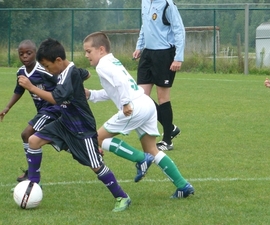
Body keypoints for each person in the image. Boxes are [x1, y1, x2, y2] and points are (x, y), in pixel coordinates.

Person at [18, 38, 131, 212]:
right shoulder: (67, 70)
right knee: (33, 140)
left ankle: (122, 196)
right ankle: (33, 184)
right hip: (64, 122)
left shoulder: (68, 74)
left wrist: (32, 87)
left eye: (48, 66)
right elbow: (85, 73)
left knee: (95, 165)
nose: (47, 70)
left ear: (58, 60)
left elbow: (56, 98)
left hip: (82, 129)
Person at [83, 31, 194, 198]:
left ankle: (140, 159)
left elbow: (120, 83)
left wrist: (126, 103)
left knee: (96, 138)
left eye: (88, 51)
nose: (86, 55)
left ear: (101, 49)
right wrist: (90, 94)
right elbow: (113, 90)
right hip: (145, 103)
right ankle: (182, 185)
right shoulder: (112, 61)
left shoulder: (103, 65)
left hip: (134, 106)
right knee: (152, 149)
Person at [0, 40, 61, 183]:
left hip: (53, 109)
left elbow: (61, 83)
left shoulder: (43, 71)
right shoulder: (21, 72)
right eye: (21, 54)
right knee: (35, 138)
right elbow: (18, 91)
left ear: (36, 53)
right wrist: (7, 108)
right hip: (42, 111)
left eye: (28, 53)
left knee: (27, 134)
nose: (25, 57)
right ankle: (62, 142)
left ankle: (32, 174)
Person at [132, 0, 185, 151]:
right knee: (141, 97)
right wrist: (139, 46)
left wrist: (178, 57)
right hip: (148, 53)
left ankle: (167, 140)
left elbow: (179, 29)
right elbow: (145, 25)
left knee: (162, 98)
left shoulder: (168, 4)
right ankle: (171, 127)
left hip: (164, 54)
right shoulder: (144, 2)